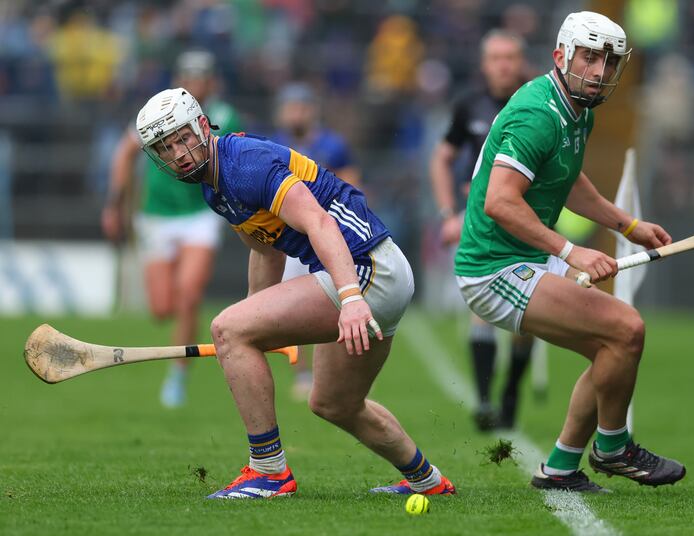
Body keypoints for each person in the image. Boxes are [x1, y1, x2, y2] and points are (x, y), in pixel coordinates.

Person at [134, 87, 456, 499]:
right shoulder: (214, 185)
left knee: (228, 328)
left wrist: (351, 298)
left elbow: (320, 222)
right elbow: (265, 249)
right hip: (374, 272)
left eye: (182, 138)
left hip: (366, 269)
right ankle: (428, 481)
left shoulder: (244, 165)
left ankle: (269, 471)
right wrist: (256, 324)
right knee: (334, 403)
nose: (178, 153)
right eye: (165, 147)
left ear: (202, 126)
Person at [454, 11, 686, 492]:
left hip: (525, 258)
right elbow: (500, 201)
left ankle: (560, 468)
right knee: (626, 328)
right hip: (494, 267)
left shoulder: (577, 109)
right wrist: (570, 250)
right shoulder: (538, 114)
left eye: (609, 61)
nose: (600, 71)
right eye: (589, 57)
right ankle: (613, 447)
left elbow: (567, 179)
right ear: (561, 55)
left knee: (614, 346)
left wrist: (628, 225)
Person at [101, 50, 242, 408]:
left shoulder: (223, 115)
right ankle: (180, 332)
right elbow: (124, 153)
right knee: (162, 307)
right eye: (189, 76)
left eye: (202, 77)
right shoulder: (156, 112)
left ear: (211, 81)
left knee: (189, 293)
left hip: (200, 214)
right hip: (157, 214)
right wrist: (114, 204)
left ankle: (178, 374)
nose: (196, 83)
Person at [430, 29, 534, 430]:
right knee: (483, 309)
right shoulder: (469, 105)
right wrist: (448, 214)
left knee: (528, 320)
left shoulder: (537, 102)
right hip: (483, 221)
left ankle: (511, 391)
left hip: (528, 219)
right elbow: (442, 158)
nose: (503, 65)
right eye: (496, 58)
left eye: (510, 57)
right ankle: (486, 400)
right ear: (484, 64)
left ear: (521, 61)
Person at [270, 82, 361, 401]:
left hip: (327, 233)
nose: (295, 114)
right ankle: (303, 373)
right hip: (290, 237)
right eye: (290, 107)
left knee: (336, 303)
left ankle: (336, 374)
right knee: (293, 310)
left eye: (301, 107)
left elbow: (352, 184)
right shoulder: (273, 145)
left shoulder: (332, 145)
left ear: (312, 111)